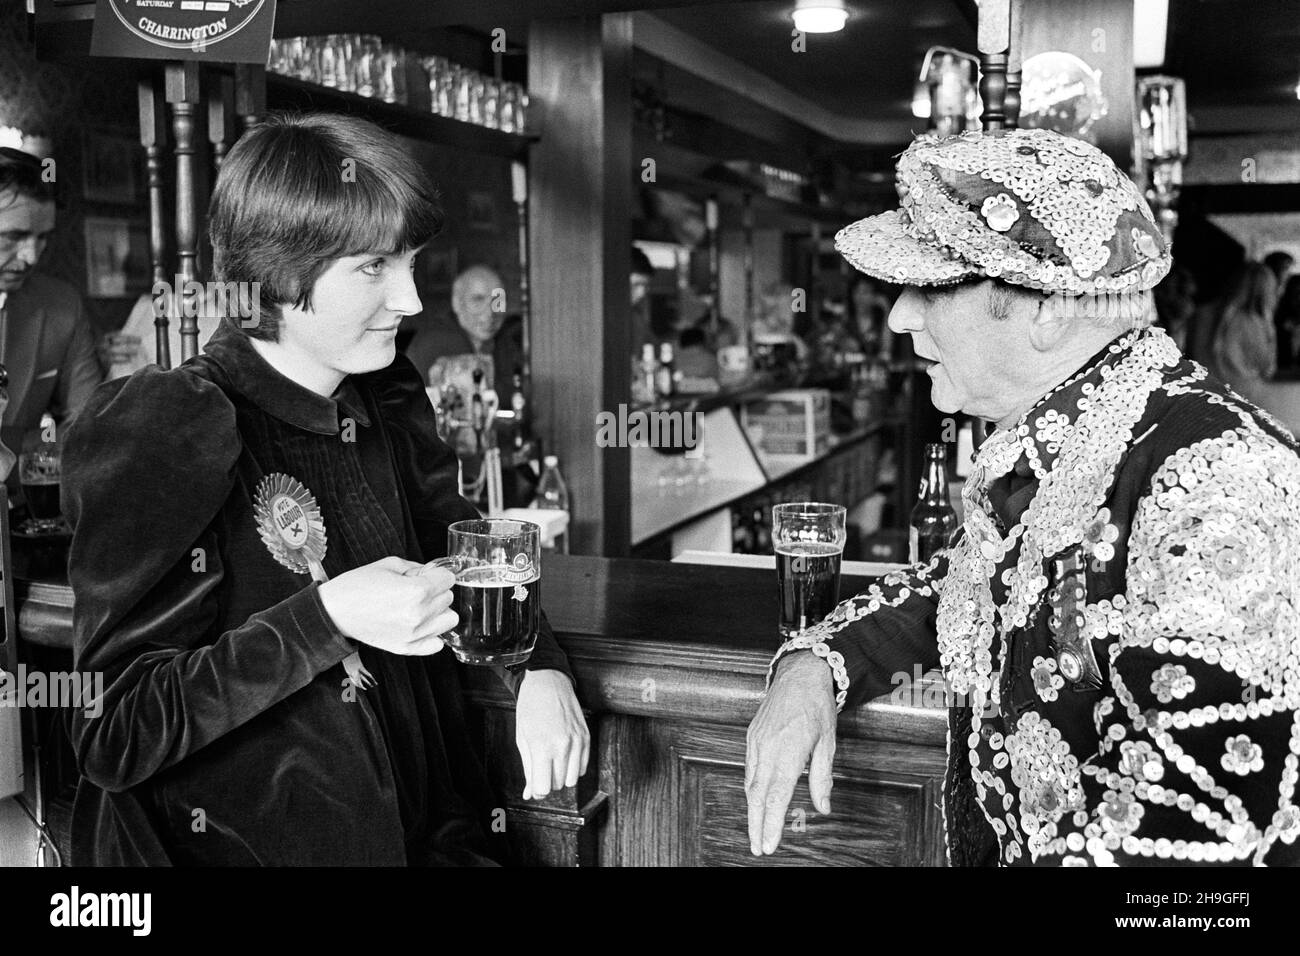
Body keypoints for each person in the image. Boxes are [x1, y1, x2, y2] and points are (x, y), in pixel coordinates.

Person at [745, 126, 1300, 866]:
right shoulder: (1081, 430)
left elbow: (1197, 828)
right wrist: (813, 664)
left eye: (934, 287)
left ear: (1046, 306)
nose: (898, 316)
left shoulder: (1218, 476)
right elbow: (974, 584)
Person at [61, 112, 589, 866]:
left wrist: (539, 667)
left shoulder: (384, 394)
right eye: (374, 267)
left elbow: (471, 555)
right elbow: (115, 729)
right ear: (273, 276)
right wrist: (326, 614)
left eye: (409, 261)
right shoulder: (169, 421)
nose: (410, 299)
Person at [0, 146, 102, 459]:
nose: (31, 256)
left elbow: (85, 425)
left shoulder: (62, 305)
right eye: (14, 236)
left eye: (42, 237)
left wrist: (34, 443)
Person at [404, 263, 523, 400]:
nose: (490, 313)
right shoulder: (438, 340)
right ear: (457, 303)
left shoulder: (503, 341)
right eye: (478, 300)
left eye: (498, 301)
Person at [1204, 262, 1280, 407]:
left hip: (1213, 396)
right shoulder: (1258, 324)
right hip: (1247, 397)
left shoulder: (1211, 315)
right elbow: (1268, 368)